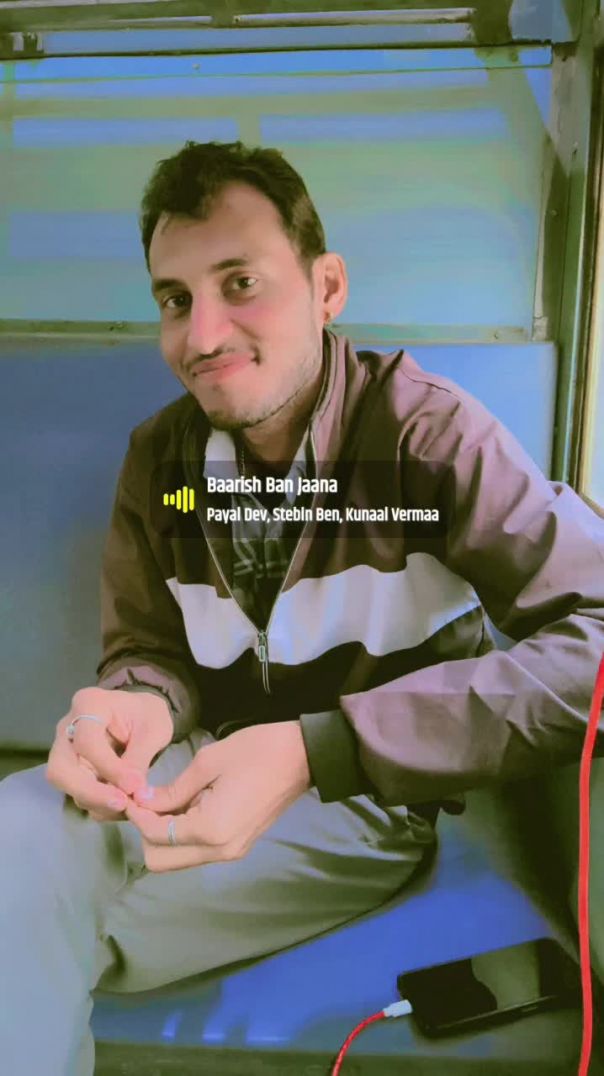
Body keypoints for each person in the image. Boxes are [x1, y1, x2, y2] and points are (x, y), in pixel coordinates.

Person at [1, 140, 603, 1075]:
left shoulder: (426, 438)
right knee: (17, 845)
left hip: (368, 801)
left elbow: (595, 637)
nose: (203, 336)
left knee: (33, 920)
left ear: (327, 288)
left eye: (241, 283)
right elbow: (149, 649)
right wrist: (135, 703)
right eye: (175, 299)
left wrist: (322, 747)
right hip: (194, 766)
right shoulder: (161, 463)